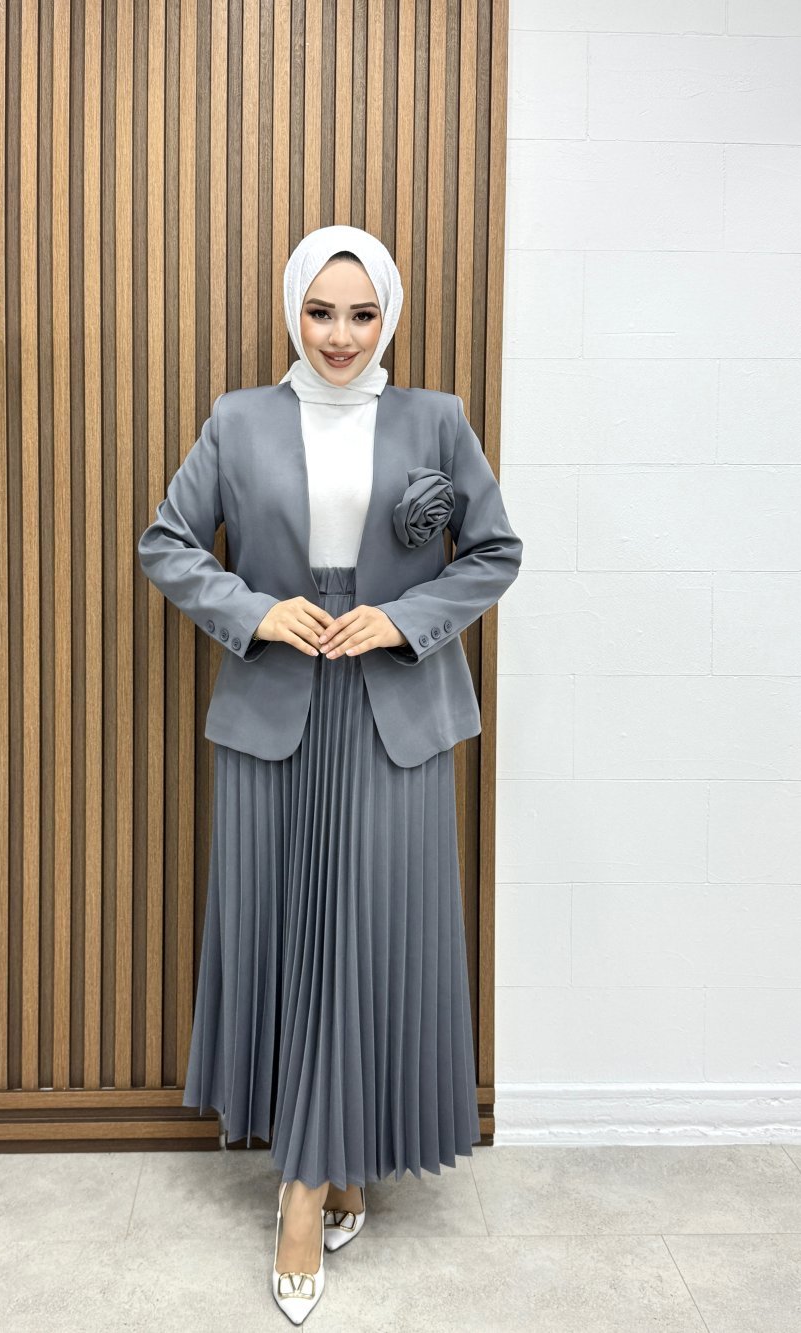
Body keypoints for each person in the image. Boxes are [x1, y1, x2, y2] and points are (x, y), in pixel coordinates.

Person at [137, 224, 523, 1323]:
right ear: (292, 311)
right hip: (276, 712)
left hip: (396, 715)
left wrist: (401, 620)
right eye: (320, 312)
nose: (341, 336)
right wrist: (257, 610)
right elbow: (167, 542)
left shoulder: (436, 419)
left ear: (387, 315)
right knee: (292, 938)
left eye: (361, 314)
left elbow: (494, 552)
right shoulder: (238, 419)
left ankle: (320, 1175)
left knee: (366, 939)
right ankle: (317, 1177)